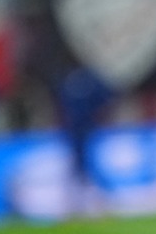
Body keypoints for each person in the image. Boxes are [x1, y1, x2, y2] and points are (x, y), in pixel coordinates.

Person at [53, 65, 112, 214]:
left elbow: (104, 103)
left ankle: (90, 199)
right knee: (78, 163)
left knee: (87, 162)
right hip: (75, 133)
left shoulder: (87, 80)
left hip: (87, 132)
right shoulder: (71, 81)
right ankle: (79, 201)